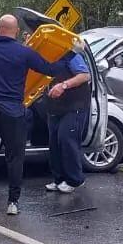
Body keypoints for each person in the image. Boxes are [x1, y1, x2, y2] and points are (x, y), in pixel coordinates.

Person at [0, 15, 69, 216]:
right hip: (14, 111)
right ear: (15, 31)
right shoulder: (24, 53)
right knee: (15, 158)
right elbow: (49, 69)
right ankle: (12, 203)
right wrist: (69, 55)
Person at [45, 45, 92, 194]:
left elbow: (85, 75)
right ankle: (58, 179)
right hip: (55, 106)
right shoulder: (44, 56)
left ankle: (75, 180)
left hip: (74, 105)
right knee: (54, 142)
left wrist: (64, 85)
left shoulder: (70, 55)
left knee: (66, 139)